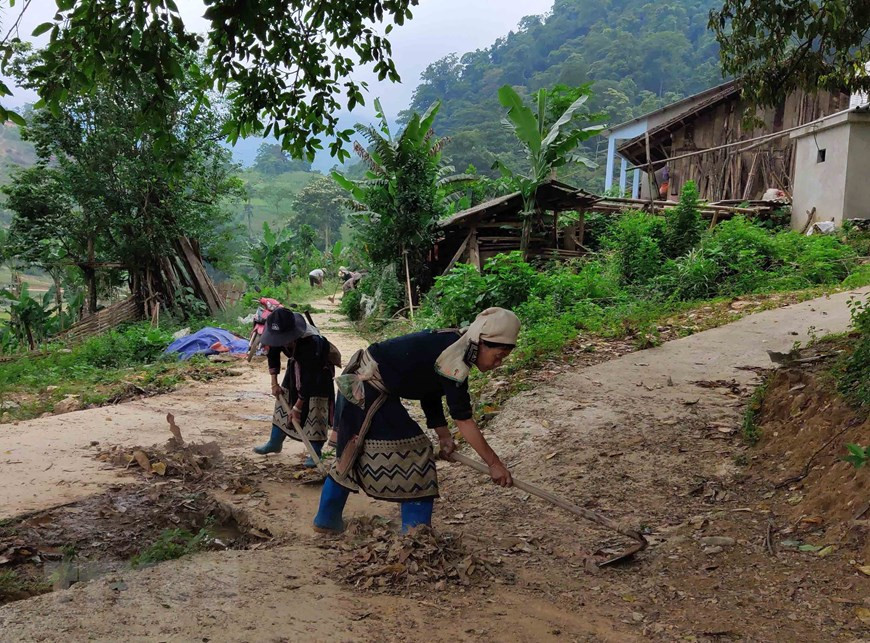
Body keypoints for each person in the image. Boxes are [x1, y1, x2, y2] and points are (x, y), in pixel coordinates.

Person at [313, 307, 520, 534]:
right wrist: (494, 464)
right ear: (480, 342)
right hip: (366, 386)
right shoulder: (455, 356)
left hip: (365, 381)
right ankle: (415, 536)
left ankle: (327, 519)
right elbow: (463, 419)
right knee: (414, 456)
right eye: (498, 356)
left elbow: (429, 390)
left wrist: (444, 436)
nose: (498, 363)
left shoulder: (452, 346)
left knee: (352, 452)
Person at [253, 308, 338, 468]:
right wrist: (274, 383)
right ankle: (275, 442)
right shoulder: (276, 335)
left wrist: (298, 408)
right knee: (283, 399)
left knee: (315, 408)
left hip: (318, 374)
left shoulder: (311, 342)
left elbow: (309, 379)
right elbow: (273, 355)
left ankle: (315, 452)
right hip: (295, 370)